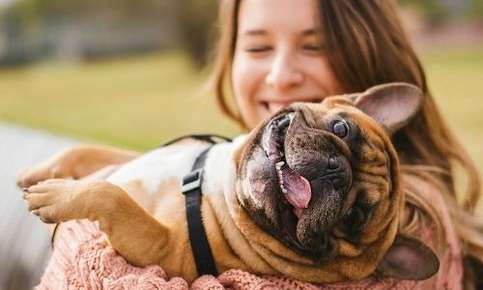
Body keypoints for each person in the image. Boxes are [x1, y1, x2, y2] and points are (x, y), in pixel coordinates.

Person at [18, 0, 483, 289]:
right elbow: (155, 170)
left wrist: (78, 226)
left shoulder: (412, 230)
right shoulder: (234, 165)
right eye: (259, 48)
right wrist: (84, 163)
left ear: (370, 54)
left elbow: (92, 278)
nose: (281, 76)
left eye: (314, 47)